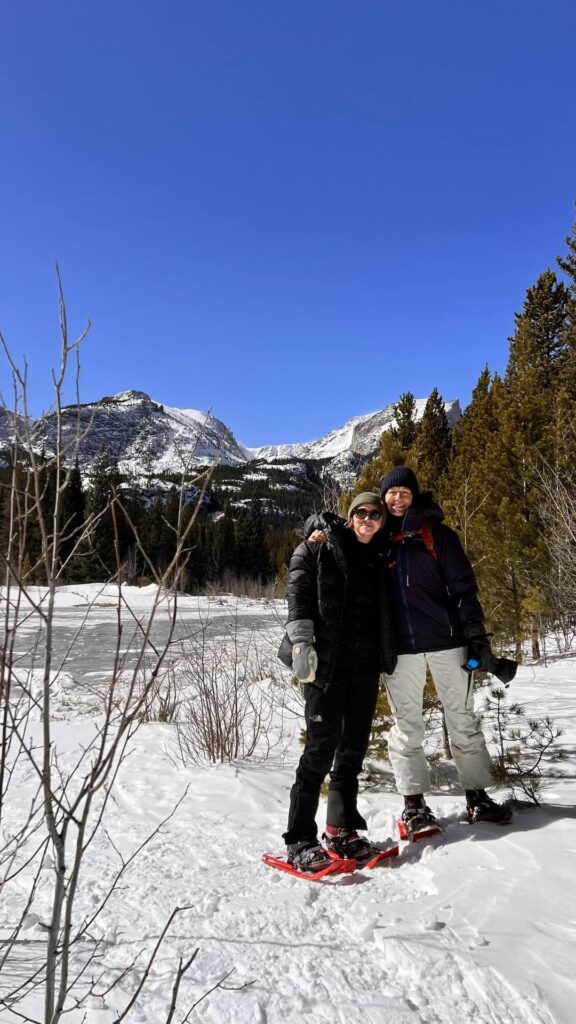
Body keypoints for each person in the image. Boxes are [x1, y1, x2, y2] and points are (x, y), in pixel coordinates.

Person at [378, 466, 513, 831]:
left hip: (448, 644)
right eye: (392, 493)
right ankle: (414, 805)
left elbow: (464, 589)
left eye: (404, 492)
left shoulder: (437, 535)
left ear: (414, 496)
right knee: (407, 727)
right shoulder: (376, 540)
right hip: (400, 650)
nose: (398, 498)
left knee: (463, 720)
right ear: (383, 496)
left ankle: (478, 797)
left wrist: (477, 637)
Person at [278, 492, 396, 872]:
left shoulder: (378, 556)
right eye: (360, 513)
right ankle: (299, 839)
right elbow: (298, 594)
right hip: (325, 667)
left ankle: (341, 830)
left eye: (374, 514)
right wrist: (301, 643)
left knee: (351, 754)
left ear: (381, 520)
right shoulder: (318, 548)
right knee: (318, 753)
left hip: (363, 669)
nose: (367, 519)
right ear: (349, 517)